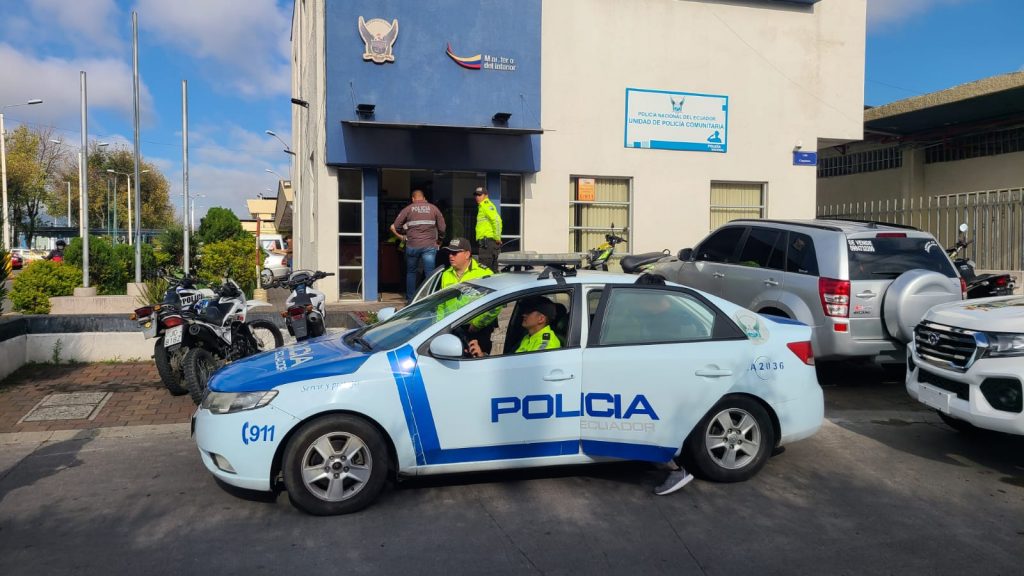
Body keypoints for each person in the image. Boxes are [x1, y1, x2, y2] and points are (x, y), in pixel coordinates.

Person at [392, 189, 446, 301]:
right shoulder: (433, 208)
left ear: (413, 198)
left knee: (411, 273)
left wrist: (406, 233)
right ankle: (429, 298)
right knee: (430, 273)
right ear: (424, 198)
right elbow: (442, 228)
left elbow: (396, 225)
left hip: (412, 245)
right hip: (429, 246)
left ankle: (410, 299)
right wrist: (440, 240)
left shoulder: (408, 209)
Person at [467, 296, 562, 357]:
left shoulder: (547, 343)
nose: (523, 315)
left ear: (541, 319)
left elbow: (525, 369)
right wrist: (482, 356)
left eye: (528, 312)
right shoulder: (529, 337)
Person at [473, 186, 502, 271]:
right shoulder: (482, 207)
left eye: (479, 195)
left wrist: (497, 238)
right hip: (486, 244)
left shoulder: (486, 205)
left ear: (486, 195)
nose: (477, 197)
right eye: (476, 195)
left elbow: (497, 221)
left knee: (485, 271)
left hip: (488, 244)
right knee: (491, 272)